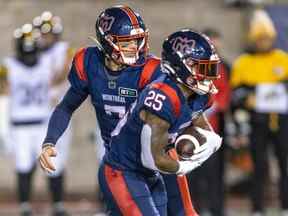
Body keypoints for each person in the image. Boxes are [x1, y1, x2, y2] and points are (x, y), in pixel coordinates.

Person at [96, 29, 222, 215]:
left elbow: (204, 129)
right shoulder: (162, 96)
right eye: (201, 68)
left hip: (151, 173)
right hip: (123, 171)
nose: (208, 75)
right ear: (181, 65)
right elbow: (153, 158)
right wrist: (187, 164)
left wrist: (209, 142)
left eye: (210, 68)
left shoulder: (198, 95)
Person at [230, 9, 288, 216]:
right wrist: (247, 99)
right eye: (260, 39)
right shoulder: (243, 63)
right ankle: (257, 208)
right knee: (258, 168)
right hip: (257, 122)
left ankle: (285, 206)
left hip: (281, 122)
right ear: (253, 39)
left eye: (267, 39)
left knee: (285, 166)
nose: (263, 42)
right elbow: (236, 93)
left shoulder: (283, 59)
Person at [0, 23, 55, 216]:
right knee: (23, 165)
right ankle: (24, 205)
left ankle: (57, 203)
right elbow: (4, 93)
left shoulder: (47, 62)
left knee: (51, 165)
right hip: (20, 126)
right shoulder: (8, 66)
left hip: (41, 122)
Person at [33, 11, 74, 215]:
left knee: (57, 157)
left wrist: (45, 83)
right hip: (38, 112)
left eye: (46, 34)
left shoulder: (63, 49)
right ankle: (31, 202)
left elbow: (64, 72)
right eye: (41, 34)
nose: (42, 38)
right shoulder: (35, 53)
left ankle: (57, 203)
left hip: (59, 110)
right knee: (32, 159)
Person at [188, 28, 231, 216]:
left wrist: (214, 106)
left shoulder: (222, 67)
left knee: (214, 172)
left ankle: (216, 209)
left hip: (212, 127)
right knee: (192, 172)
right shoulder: (190, 64)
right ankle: (192, 209)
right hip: (191, 129)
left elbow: (224, 93)